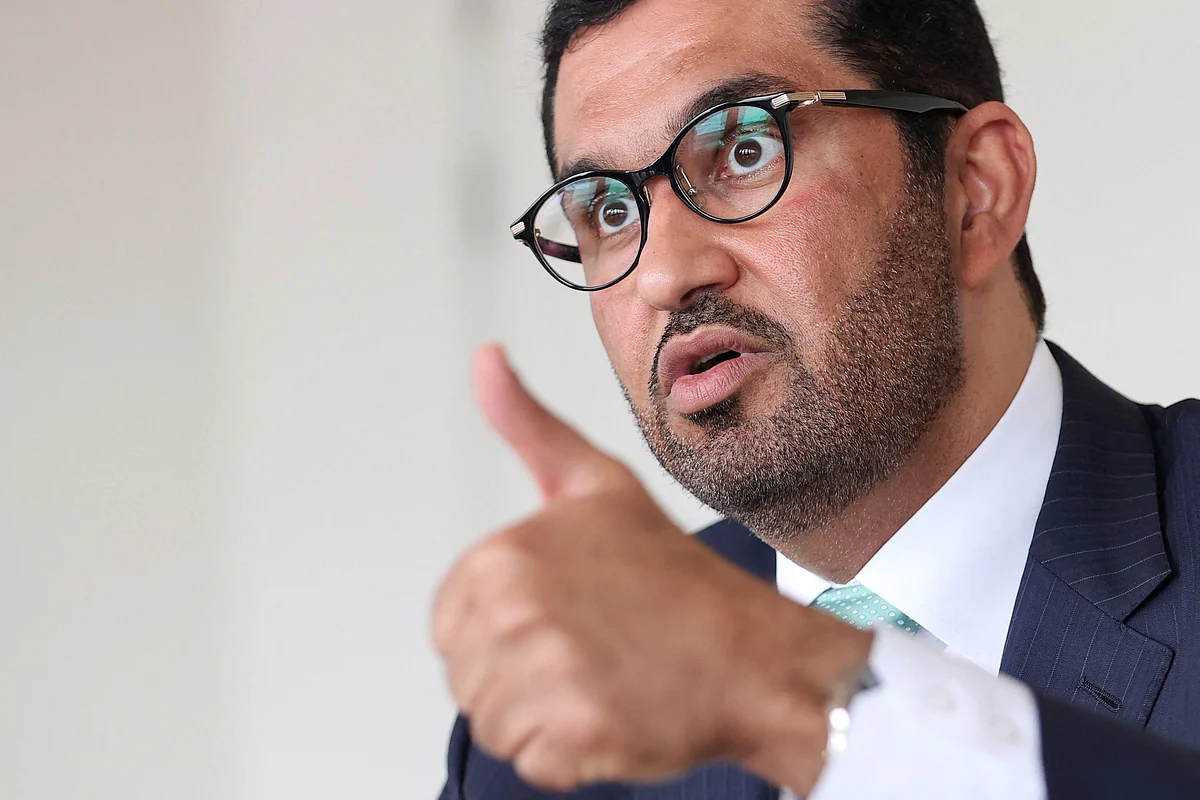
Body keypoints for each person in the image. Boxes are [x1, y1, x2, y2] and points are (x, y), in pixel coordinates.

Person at [431, 0, 1200, 797]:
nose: (662, 275)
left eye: (745, 148)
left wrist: (787, 688)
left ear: (977, 189)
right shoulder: (562, 737)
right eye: (610, 210)